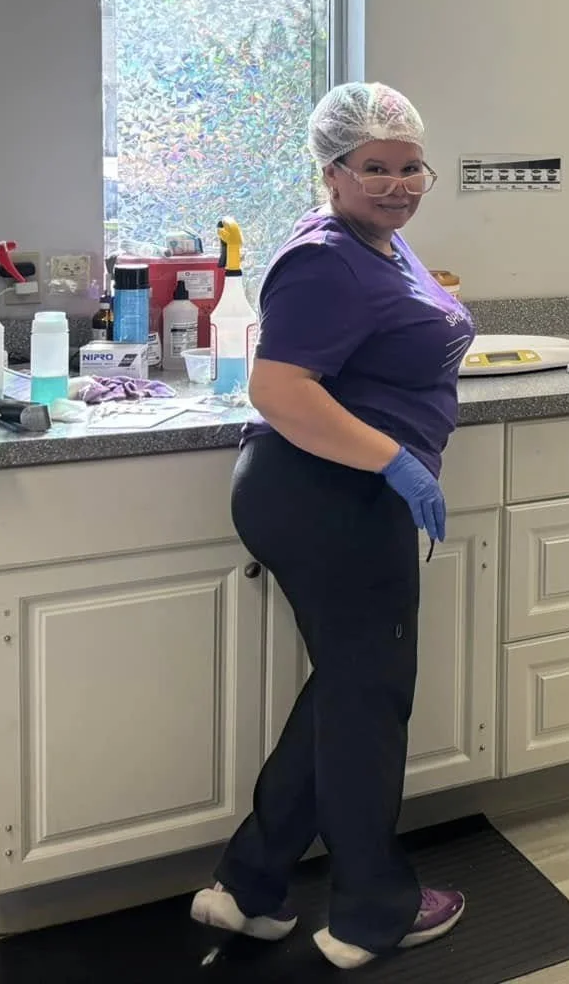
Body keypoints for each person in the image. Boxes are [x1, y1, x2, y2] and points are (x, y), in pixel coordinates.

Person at [191, 83, 475, 969]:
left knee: (349, 689)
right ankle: (370, 911)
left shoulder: (382, 245)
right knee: (369, 700)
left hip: (342, 492)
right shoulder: (323, 257)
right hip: (327, 495)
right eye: (375, 168)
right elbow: (278, 390)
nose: (397, 184)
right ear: (333, 172)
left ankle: (250, 885)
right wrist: (392, 460)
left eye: (410, 167)